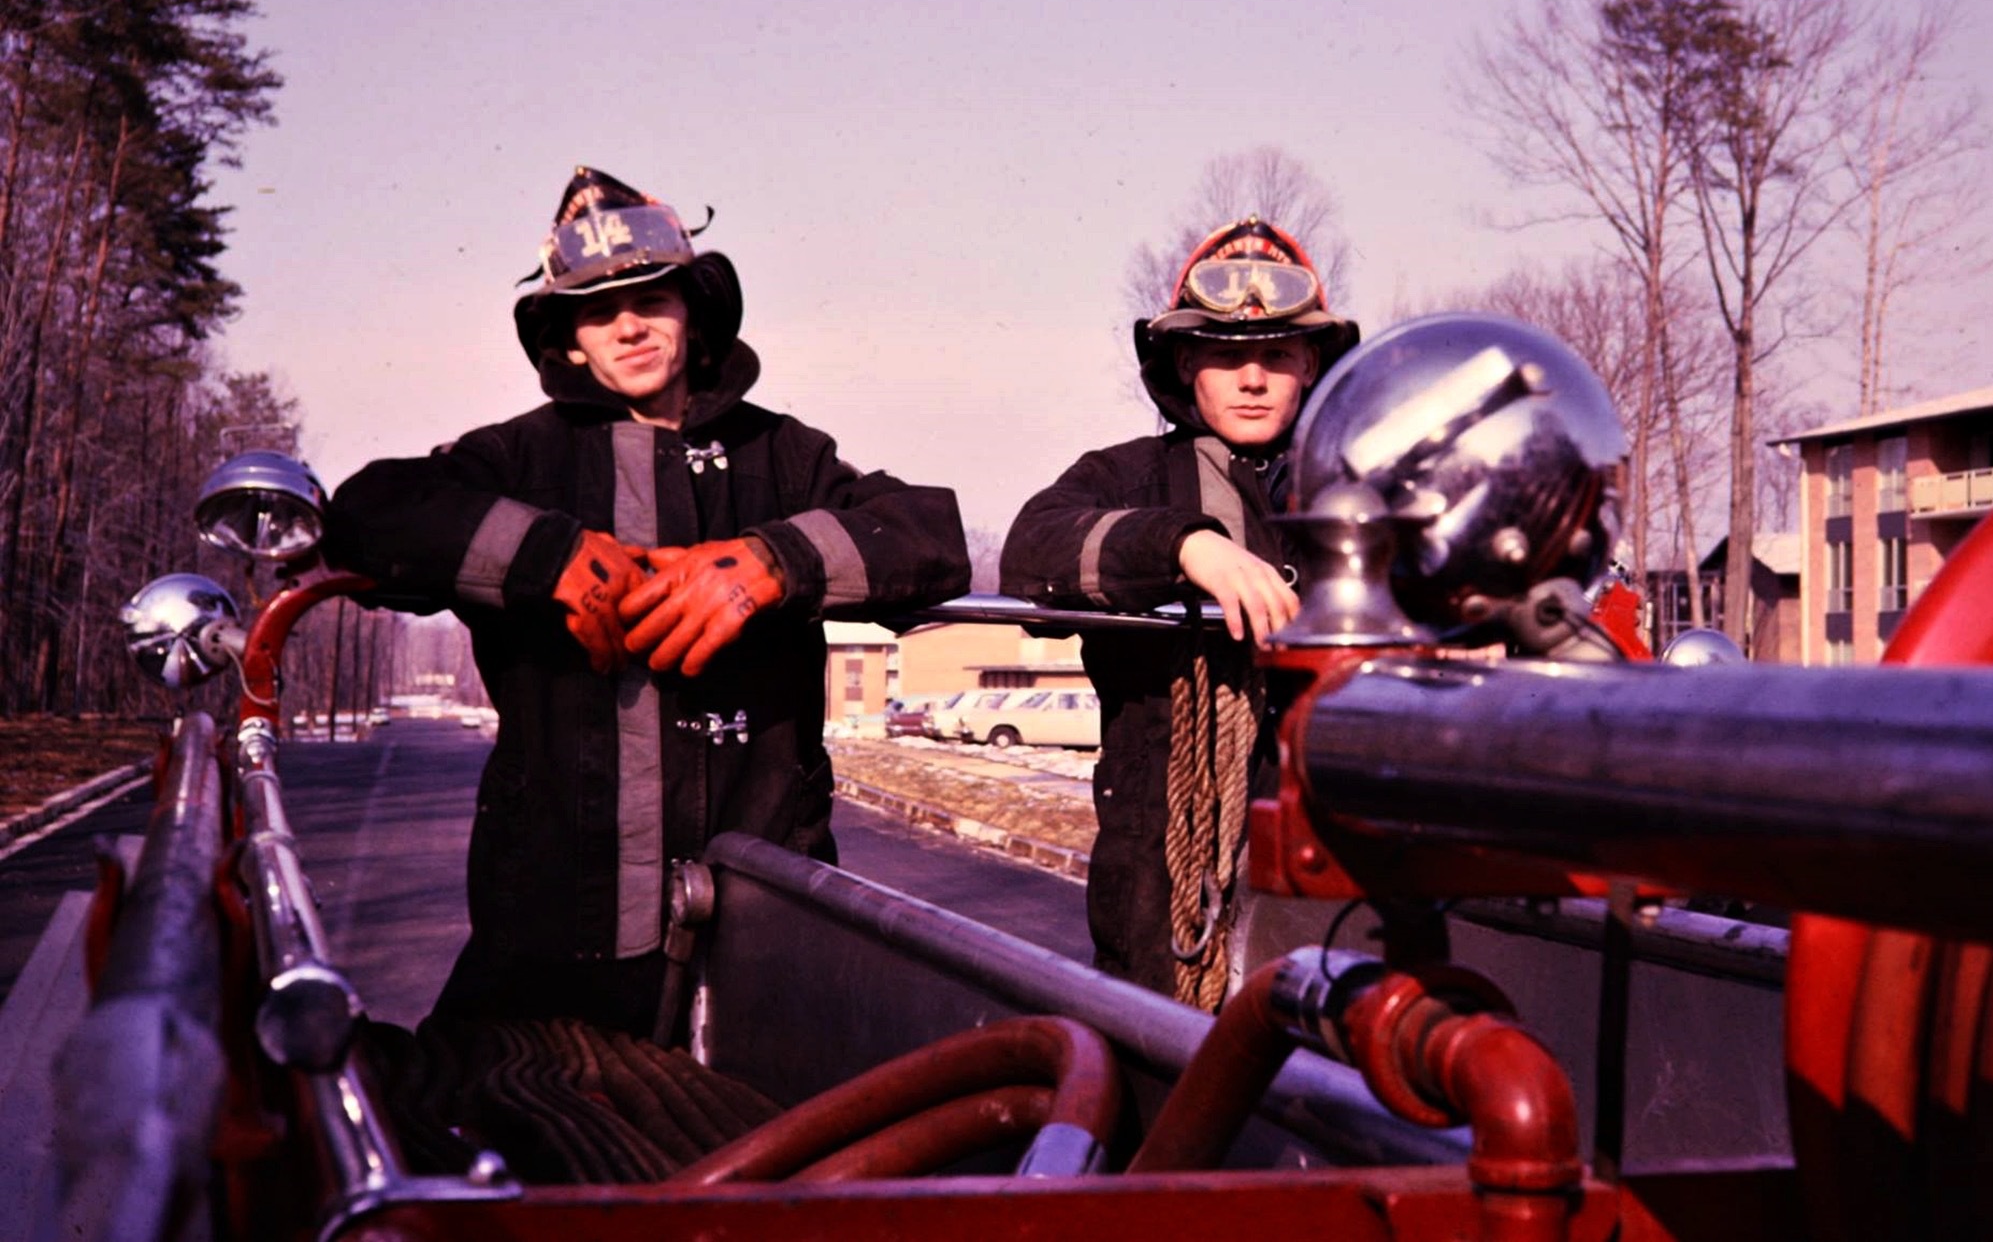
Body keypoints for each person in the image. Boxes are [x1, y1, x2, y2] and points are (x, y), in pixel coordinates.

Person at [325, 166, 969, 1036]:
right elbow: (367, 513)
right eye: (597, 310)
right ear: (568, 340)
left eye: (651, 297)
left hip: (765, 929)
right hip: (553, 937)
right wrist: (541, 551)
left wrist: (771, 560)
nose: (628, 325)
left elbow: (930, 534)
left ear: (692, 310)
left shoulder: (786, 454)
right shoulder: (517, 459)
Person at [1000, 217, 1357, 1006]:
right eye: (1228, 358)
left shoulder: (1360, 491)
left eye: (1276, 356)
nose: (1253, 379)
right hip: (1159, 887)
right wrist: (1184, 548)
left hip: (1334, 876)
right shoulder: (1126, 476)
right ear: (1186, 365)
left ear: (1312, 366)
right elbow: (1032, 550)